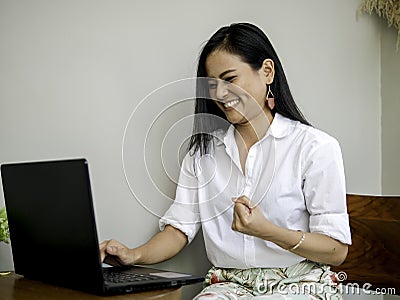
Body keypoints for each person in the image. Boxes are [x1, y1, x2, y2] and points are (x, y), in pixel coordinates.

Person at [100, 23, 351, 299]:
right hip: (228, 286)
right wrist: (132, 255)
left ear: (267, 72)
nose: (220, 94)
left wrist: (267, 231)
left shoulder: (315, 147)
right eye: (212, 85)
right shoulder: (202, 154)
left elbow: (337, 250)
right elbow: (178, 230)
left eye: (230, 79)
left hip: (300, 285)